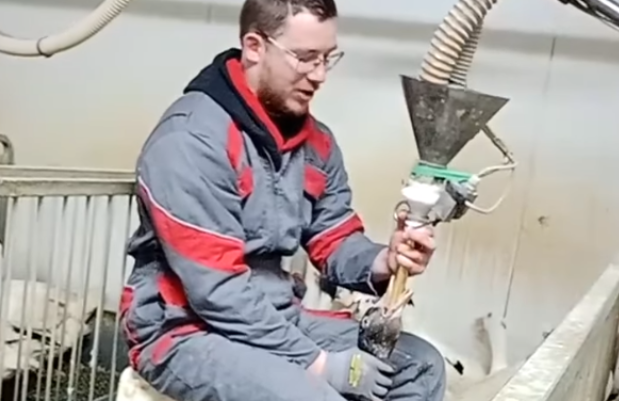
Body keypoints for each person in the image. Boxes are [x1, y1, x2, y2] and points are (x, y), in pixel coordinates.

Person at [120, 0, 445, 400]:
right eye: (306, 58)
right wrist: (318, 364)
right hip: (186, 329)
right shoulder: (191, 140)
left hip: (276, 316)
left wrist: (386, 261)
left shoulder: (316, 143)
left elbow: (333, 238)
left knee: (420, 365)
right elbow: (217, 291)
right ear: (255, 47)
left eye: (327, 58)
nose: (319, 75)